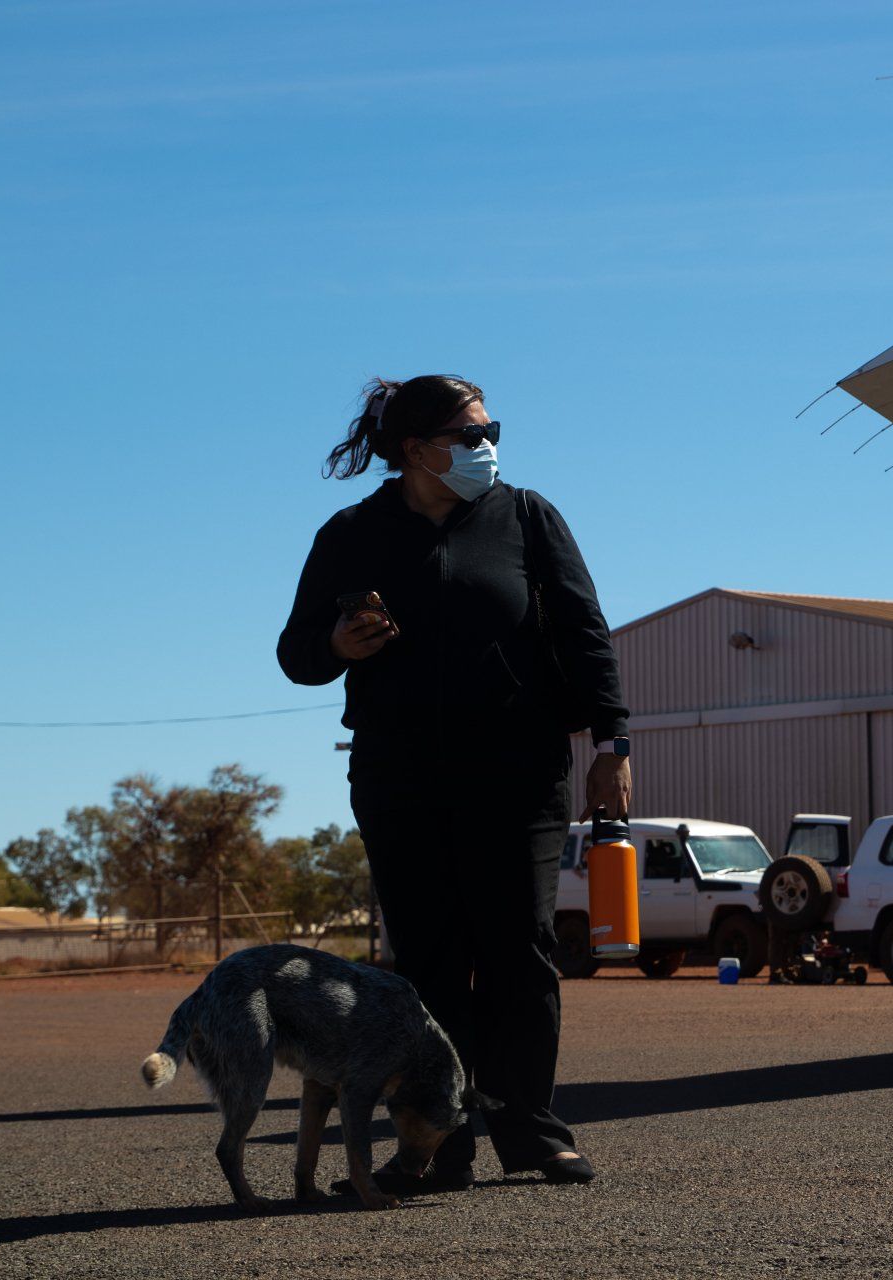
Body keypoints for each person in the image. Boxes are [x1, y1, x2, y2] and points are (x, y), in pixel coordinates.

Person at [277, 374, 630, 1192]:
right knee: (429, 965)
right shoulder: (351, 533)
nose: (486, 447)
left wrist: (613, 741)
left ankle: (534, 1131)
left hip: (520, 773)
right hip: (402, 777)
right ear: (414, 450)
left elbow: (585, 631)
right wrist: (340, 643)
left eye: (489, 429)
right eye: (469, 435)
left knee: (521, 952)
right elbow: (296, 655)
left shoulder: (528, 517)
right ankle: (439, 1143)